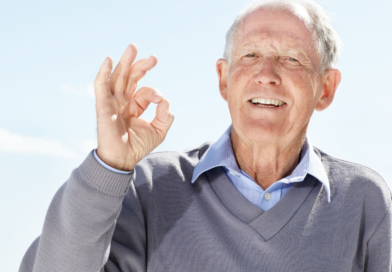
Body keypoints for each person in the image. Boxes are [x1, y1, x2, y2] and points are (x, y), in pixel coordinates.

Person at [19, 0, 392, 271]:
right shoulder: (149, 188)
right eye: (249, 55)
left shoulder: (364, 199)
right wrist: (110, 166)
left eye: (292, 59)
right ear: (222, 79)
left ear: (325, 88)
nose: (266, 73)